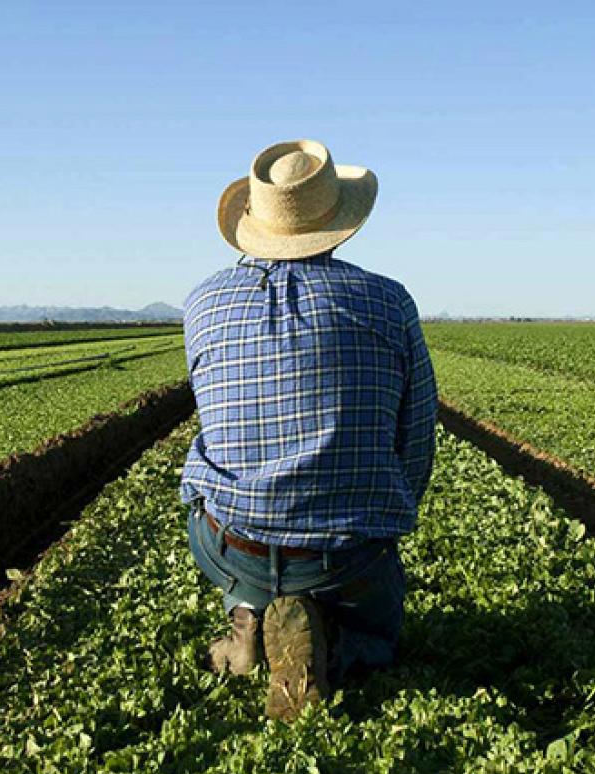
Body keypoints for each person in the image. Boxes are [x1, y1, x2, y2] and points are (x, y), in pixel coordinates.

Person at [181, 139, 437, 721]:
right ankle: (339, 645)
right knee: (382, 633)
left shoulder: (202, 304)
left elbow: (216, 423)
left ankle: (249, 611)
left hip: (232, 541)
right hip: (346, 556)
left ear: (256, 220)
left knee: (211, 513)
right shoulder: (389, 302)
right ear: (340, 222)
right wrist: (385, 524)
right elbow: (416, 440)